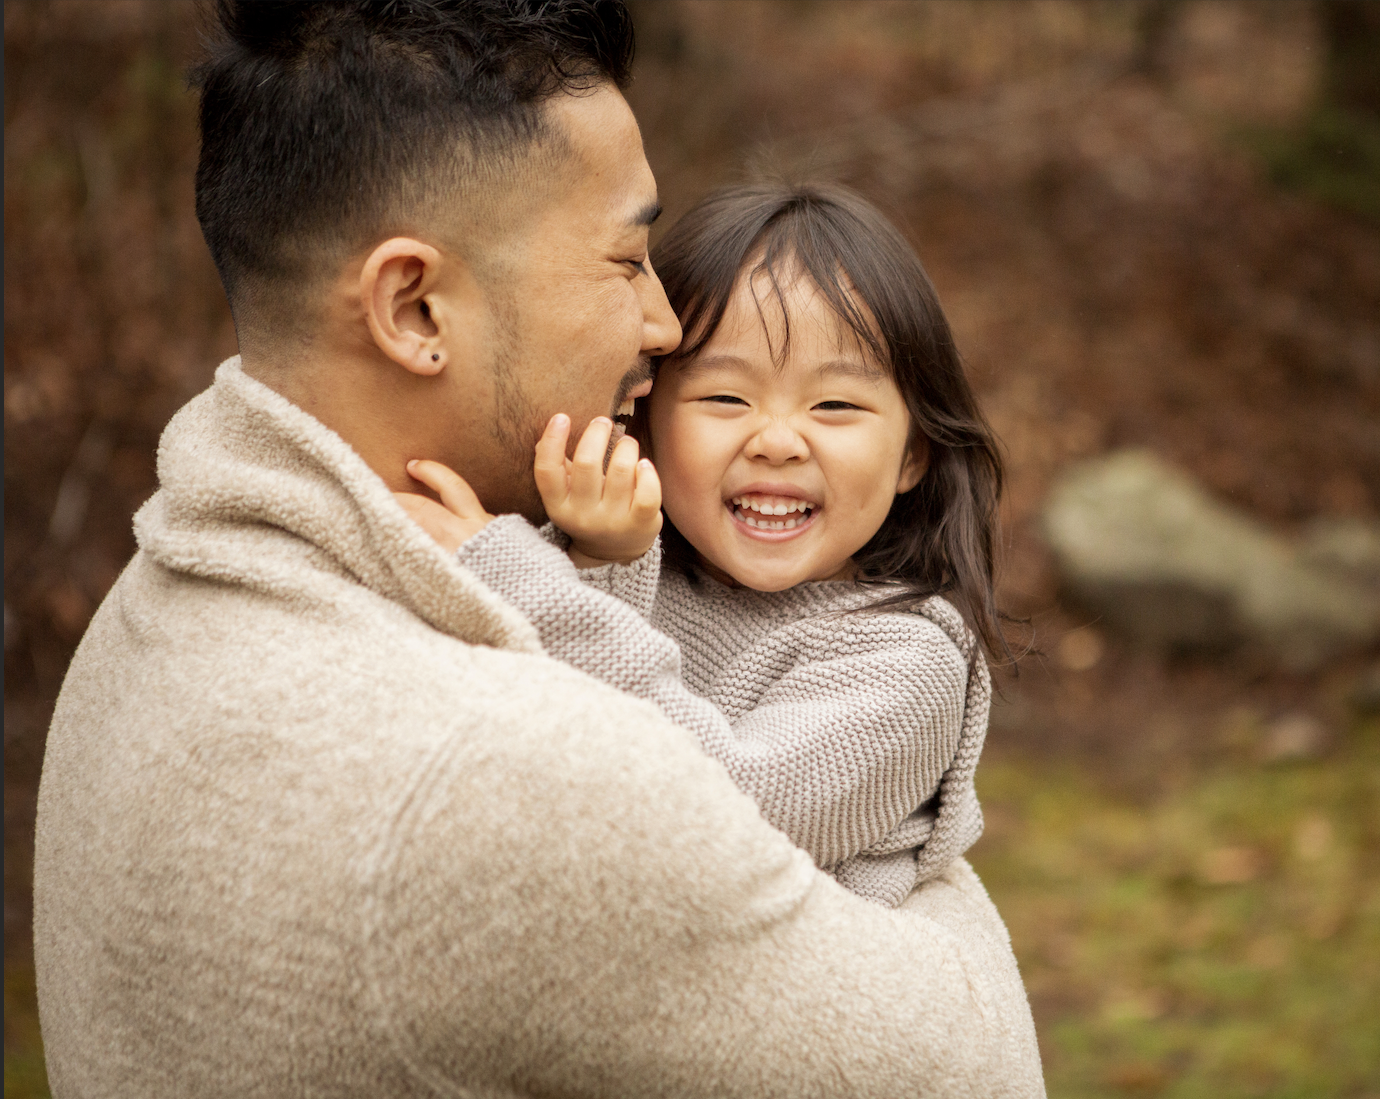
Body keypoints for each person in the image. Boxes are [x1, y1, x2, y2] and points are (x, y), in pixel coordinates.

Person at [32, 1, 1044, 1095]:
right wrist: (940, 893)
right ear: (415, 308)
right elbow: (967, 1059)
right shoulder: (506, 784)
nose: (664, 326)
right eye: (625, 260)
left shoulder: (164, 594)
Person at [398, 180, 1010, 909]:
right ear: (647, 419)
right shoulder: (614, 560)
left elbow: (729, 814)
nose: (777, 441)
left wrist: (520, 580)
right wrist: (600, 558)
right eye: (725, 398)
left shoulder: (905, 661)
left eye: (836, 405)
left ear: (915, 454)